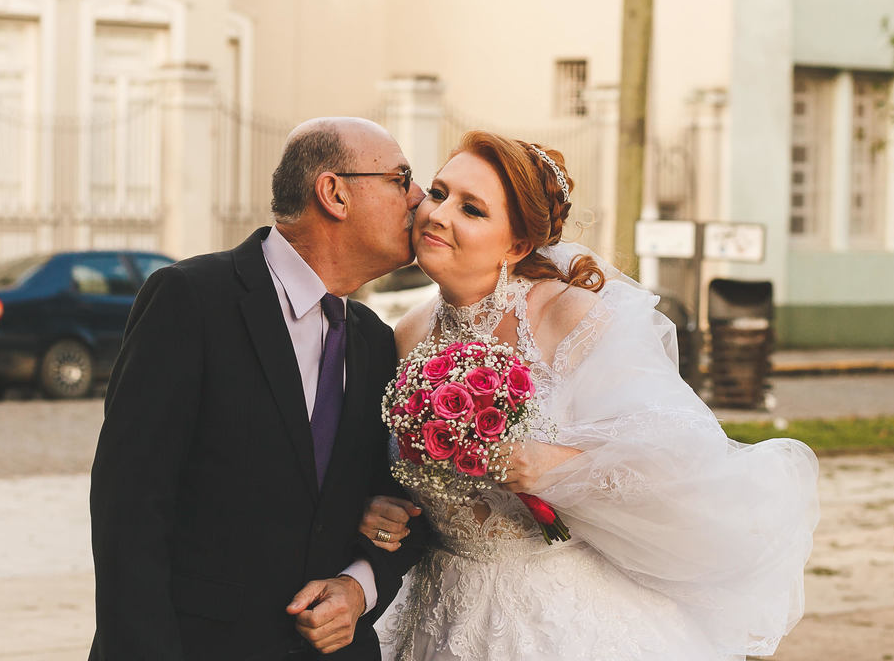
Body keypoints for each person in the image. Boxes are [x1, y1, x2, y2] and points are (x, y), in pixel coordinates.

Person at [358, 131, 820, 661]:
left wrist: (553, 466)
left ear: (517, 245)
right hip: (436, 608)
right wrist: (381, 508)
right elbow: (389, 471)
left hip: (551, 611)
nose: (438, 214)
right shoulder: (406, 335)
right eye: (438, 193)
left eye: (472, 209)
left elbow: (674, 453)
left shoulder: (569, 316)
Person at [90, 117, 429, 660]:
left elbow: (402, 507)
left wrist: (358, 585)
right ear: (335, 193)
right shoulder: (189, 300)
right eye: (401, 177)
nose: (419, 197)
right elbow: (129, 512)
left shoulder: (374, 340)